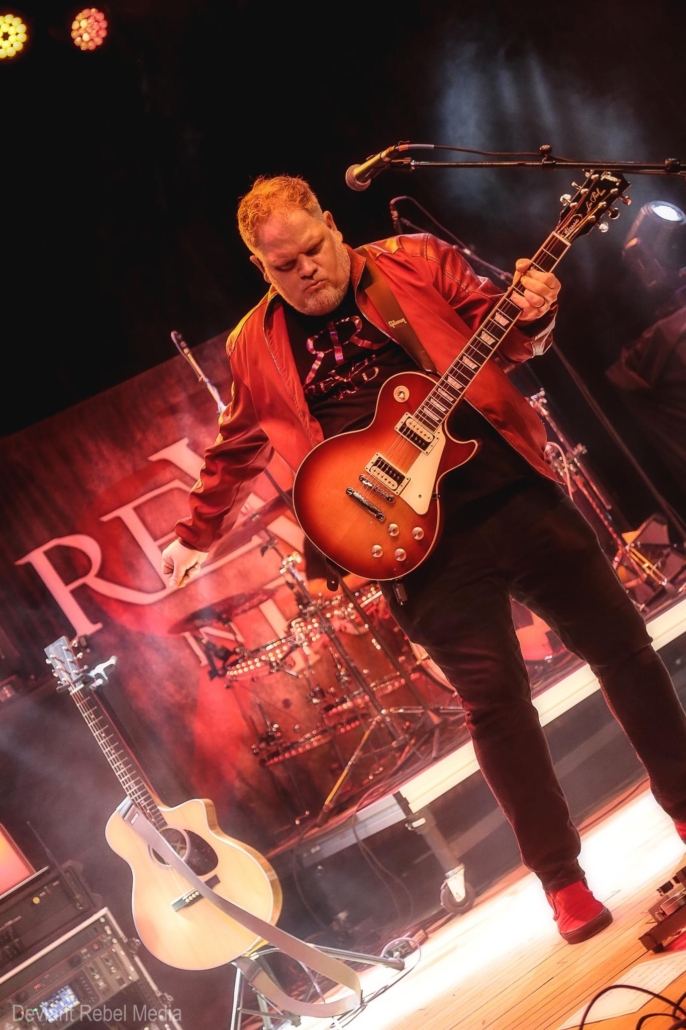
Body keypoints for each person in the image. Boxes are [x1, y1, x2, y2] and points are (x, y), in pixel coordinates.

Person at [161, 175, 686, 945]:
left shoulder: (415, 259)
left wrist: (535, 313)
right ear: (258, 266)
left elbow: (508, 337)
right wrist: (194, 534)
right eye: (284, 266)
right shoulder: (254, 343)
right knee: (495, 707)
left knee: (624, 650)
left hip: (512, 494)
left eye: (313, 249)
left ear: (332, 224)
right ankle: (563, 882)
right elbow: (234, 447)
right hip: (412, 546)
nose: (307, 270)